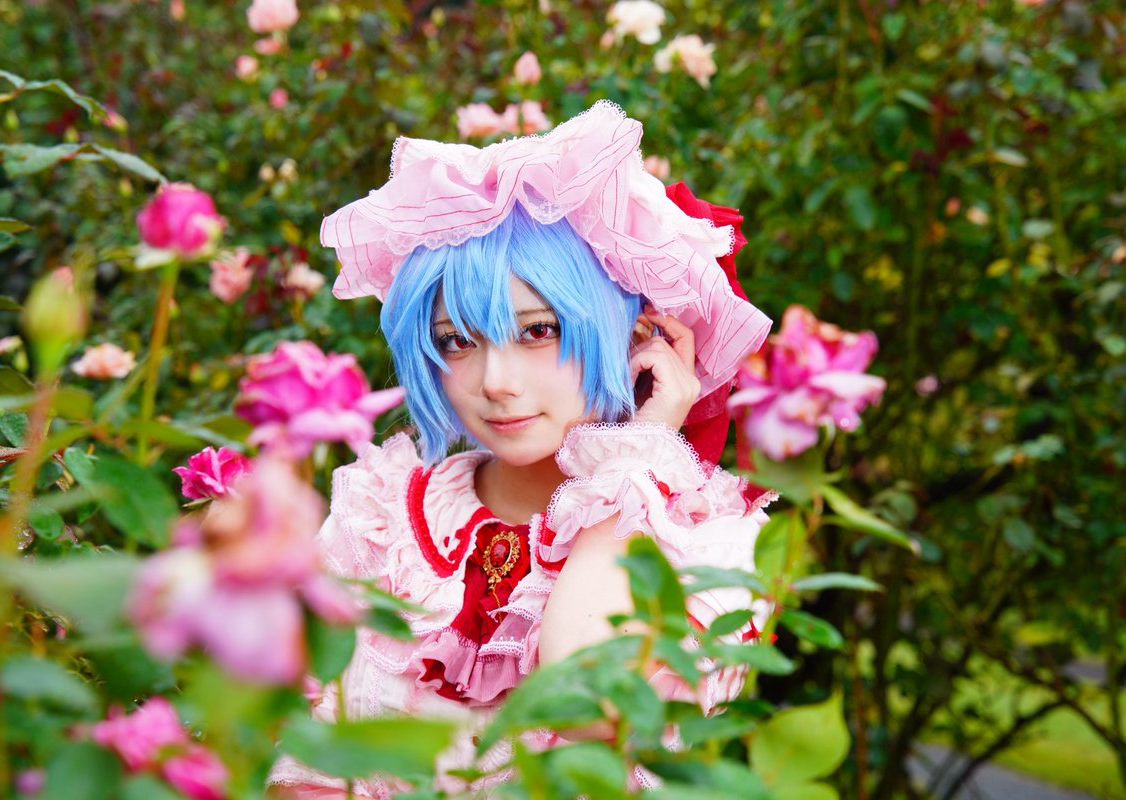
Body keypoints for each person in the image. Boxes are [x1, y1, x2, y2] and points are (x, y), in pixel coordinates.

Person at [269, 101, 775, 798]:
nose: (495, 383)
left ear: (639, 337)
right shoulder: (380, 517)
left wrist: (637, 458)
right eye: (456, 341)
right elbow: (300, 757)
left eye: (538, 331)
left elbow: (587, 701)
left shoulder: (709, 540)